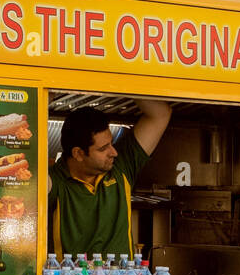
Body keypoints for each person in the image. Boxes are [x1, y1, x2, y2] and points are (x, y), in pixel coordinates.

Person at [47, 99, 173, 259]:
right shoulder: (54, 180)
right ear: (78, 153)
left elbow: (160, 115)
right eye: (103, 148)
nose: (113, 152)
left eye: (111, 143)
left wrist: (121, 78)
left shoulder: (121, 166)